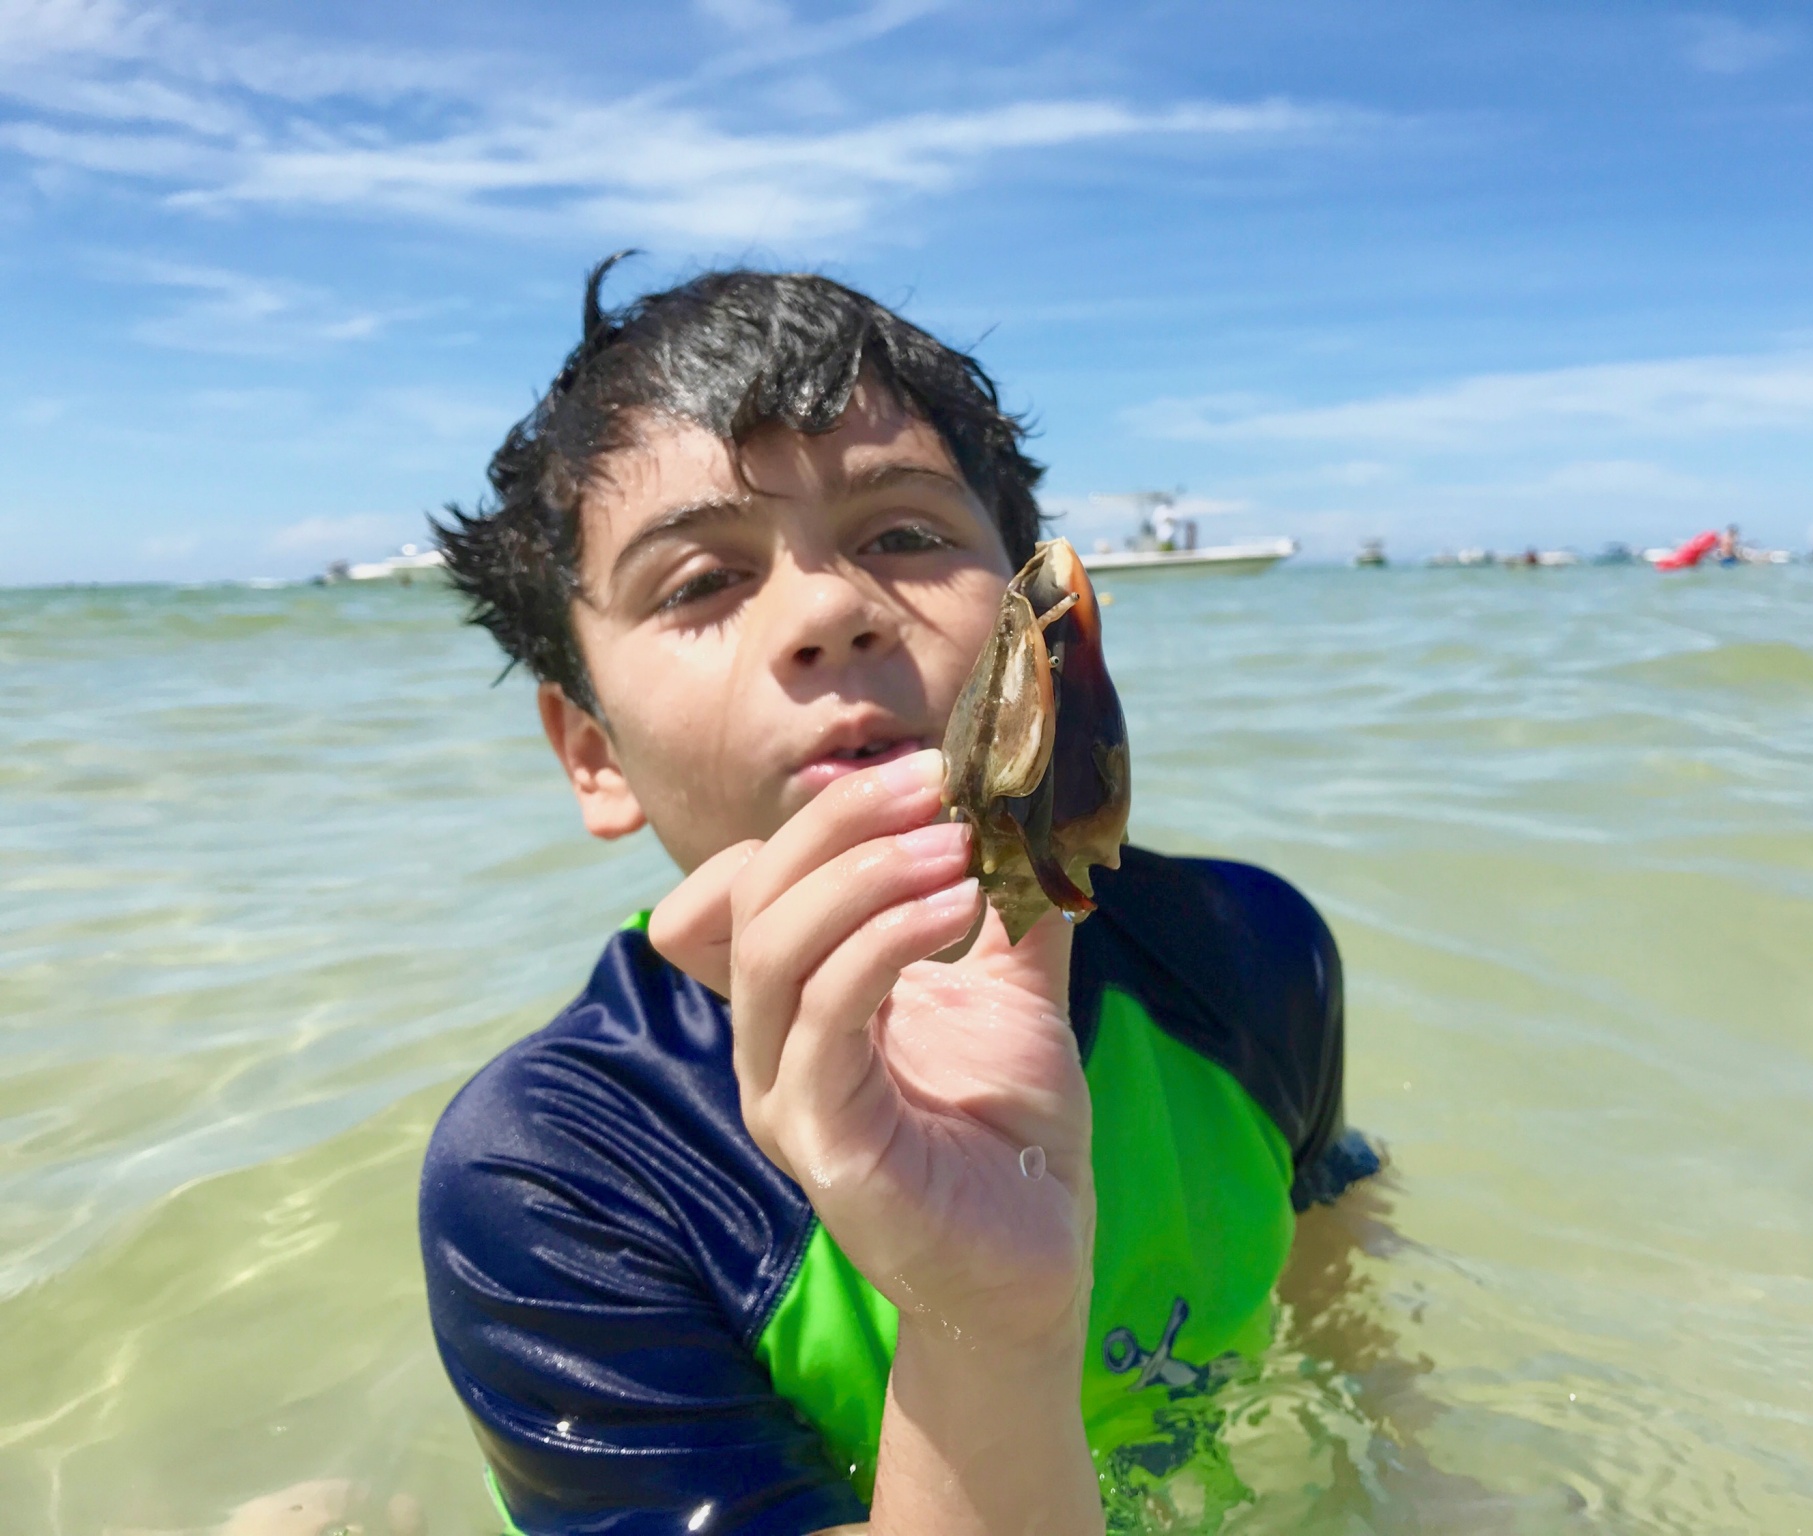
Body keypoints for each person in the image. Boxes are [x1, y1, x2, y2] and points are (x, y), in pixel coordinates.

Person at [420, 260, 1380, 1536]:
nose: (830, 610)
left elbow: (1339, 1274)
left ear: (1035, 615)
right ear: (592, 754)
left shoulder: (1249, 953)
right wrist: (981, 1322)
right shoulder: (562, 1171)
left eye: (906, 535)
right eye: (700, 581)